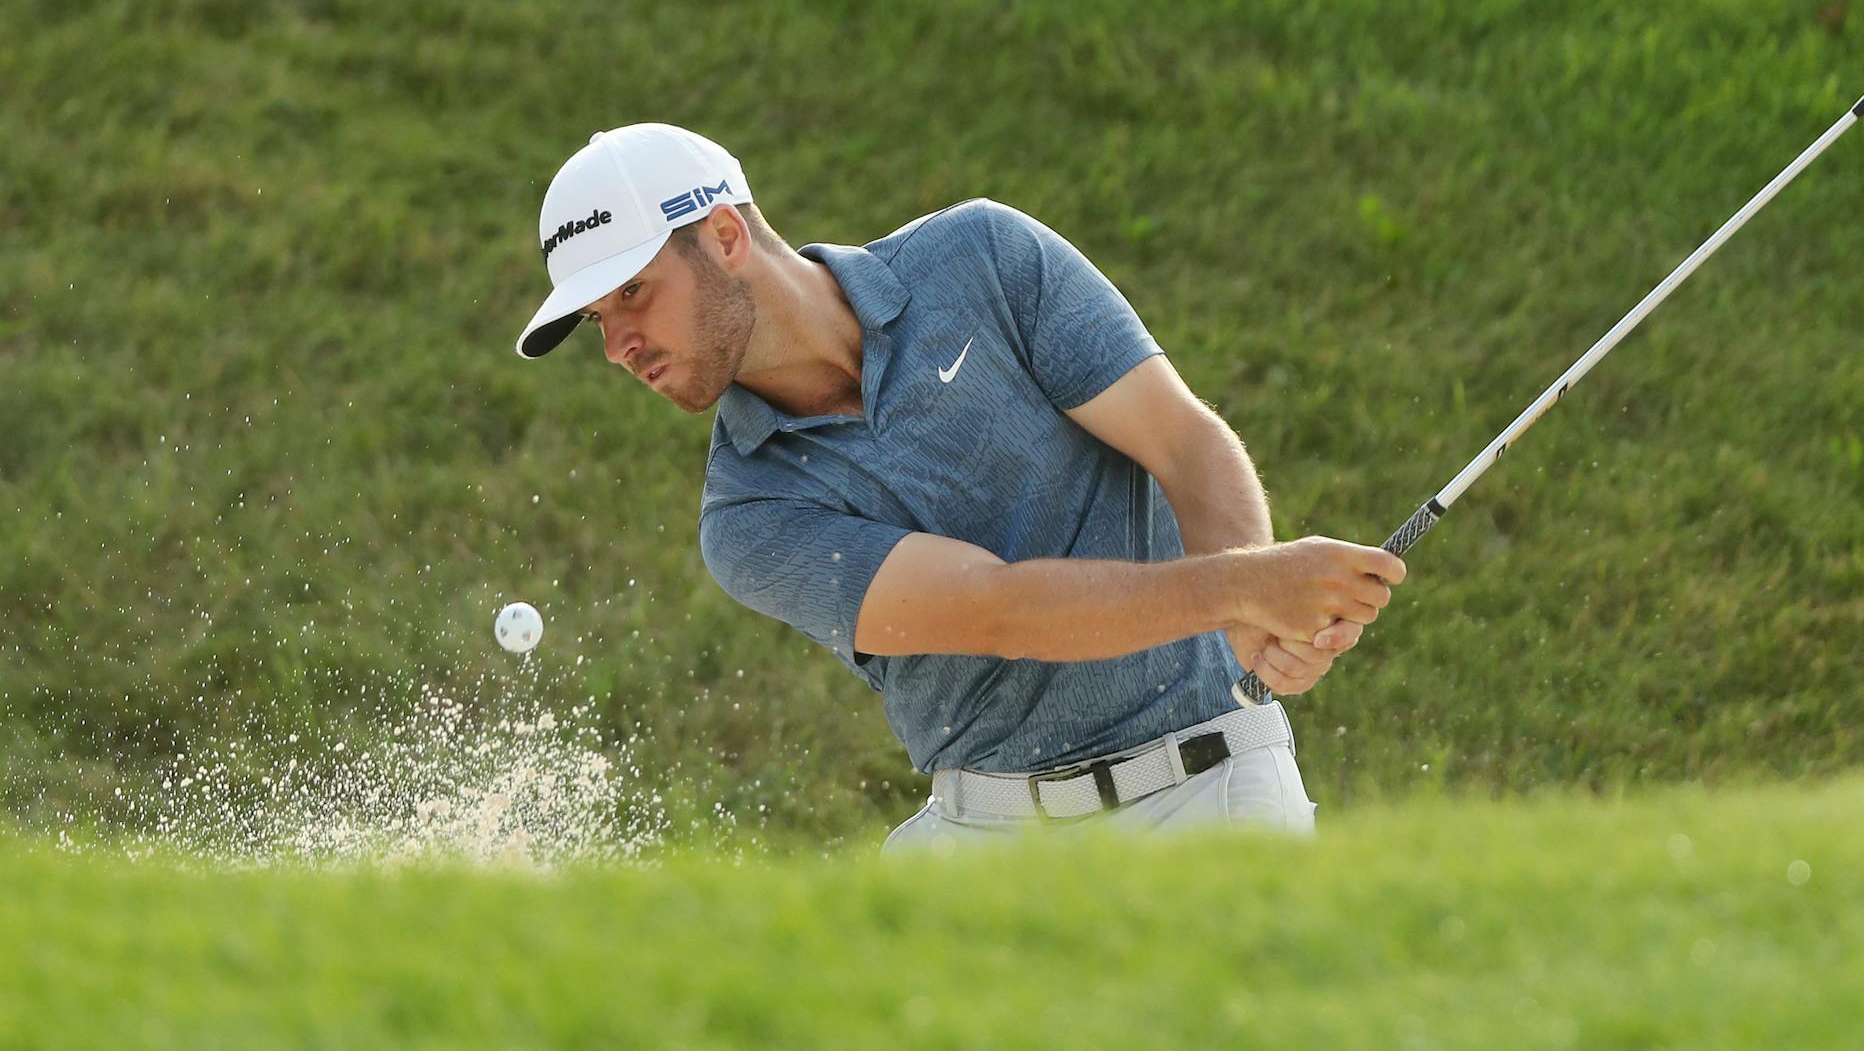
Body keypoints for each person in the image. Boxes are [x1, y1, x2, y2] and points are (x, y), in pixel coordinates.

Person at [516, 124, 1405, 851]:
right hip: (995, 841)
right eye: (600, 319)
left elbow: (1180, 439)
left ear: (724, 236)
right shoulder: (747, 514)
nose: (617, 346)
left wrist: (1251, 604)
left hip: (1215, 788)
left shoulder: (981, 257)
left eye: (633, 293)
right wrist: (1243, 587)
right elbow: (997, 611)